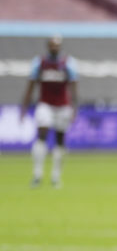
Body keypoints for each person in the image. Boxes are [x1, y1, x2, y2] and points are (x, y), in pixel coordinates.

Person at [21, 35, 78, 188]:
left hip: (63, 106)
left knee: (60, 140)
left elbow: (74, 87)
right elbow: (31, 86)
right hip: (45, 104)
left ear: (60, 47)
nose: (55, 48)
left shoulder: (68, 63)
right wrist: (24, 108)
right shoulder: (39, 63)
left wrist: (74, 108)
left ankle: (55, 177)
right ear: (48, 46)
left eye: (57, 45)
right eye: (52, 45)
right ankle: (37, 175)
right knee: (42, 134)